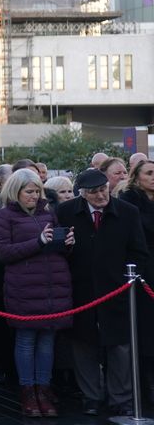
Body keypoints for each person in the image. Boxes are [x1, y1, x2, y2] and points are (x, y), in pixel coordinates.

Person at [57, 168, 148, 417]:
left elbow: (138, 251)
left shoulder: (127, 212)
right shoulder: (66, 212)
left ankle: (122, 397)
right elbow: (57, 250)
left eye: (104, 190)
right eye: (94, 192)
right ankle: (91, 397)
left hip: (117, 289)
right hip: (81, 289)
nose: (101, 196)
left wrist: (127, 277)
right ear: (82, 194)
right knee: (83, 344)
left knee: (120, 346)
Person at [0, 168, 73, 417]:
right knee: (26, 340)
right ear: (16, 191)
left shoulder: (49, 213)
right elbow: (3, 252)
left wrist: (66, 244)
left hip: (53, 286)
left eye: (37, 191)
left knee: (47, 340)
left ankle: (44, 390)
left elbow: (56, 249)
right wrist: (38, 241)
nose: (35, 196)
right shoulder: (2, 216)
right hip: (24, 287)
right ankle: (27, 390)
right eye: (29, 191)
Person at [120, 159, 154, 400]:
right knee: (144, 329)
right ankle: (145, 385)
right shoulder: (129, 201)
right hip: (142, 272)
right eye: (149, 173)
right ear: (137, 176)